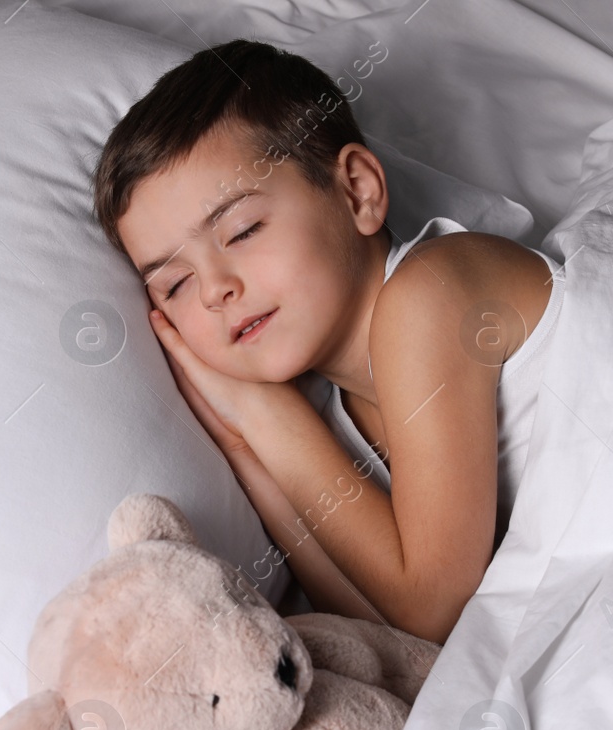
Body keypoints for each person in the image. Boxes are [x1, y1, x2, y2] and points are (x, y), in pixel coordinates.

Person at [93, 40, 564, 644]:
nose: (214, 290)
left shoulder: (435, 290)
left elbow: (433, 606)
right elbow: (391, 635)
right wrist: (242, 446)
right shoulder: (334, 428)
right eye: (175, 284)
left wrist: (267, 415)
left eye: (242, 230)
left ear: (358, 191)